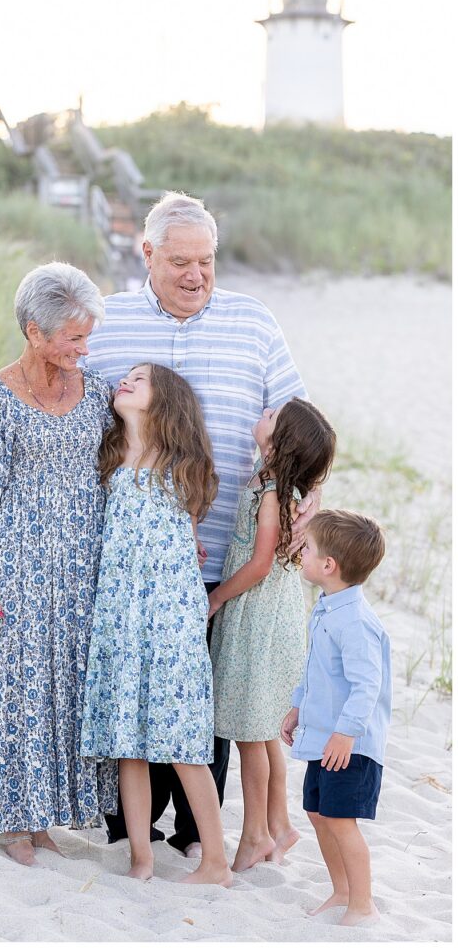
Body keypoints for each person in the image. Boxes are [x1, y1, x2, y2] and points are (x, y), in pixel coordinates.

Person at [0, 191, 313, 856]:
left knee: (198, 710)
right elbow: (49, 393)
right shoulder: (106, 321)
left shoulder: (255, 322)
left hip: (225, 553)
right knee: (127, 693)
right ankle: (130, 835)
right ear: (147, 255)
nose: (195, 274)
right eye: (179, 260)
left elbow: (299, 422)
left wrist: (306, 490)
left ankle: (189, 842)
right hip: (120, 559)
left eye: (206, 260)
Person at [0, 262, 118, 867]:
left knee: (66, 685)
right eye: (71, 336)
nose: (82, 347)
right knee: (16, 686)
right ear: (33, 331)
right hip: (18, 565)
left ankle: (43, 817)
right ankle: (11, 820)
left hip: (82, 564)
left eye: (86, 335)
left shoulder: (96, 390)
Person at [80, 363, 232, 887]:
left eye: (139, 379)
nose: (125, 382)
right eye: (125, 376)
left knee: (184, 741)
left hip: (169, 621)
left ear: (163, 401)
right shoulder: (110, 456)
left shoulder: (181, 465)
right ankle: (141, 858)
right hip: (121, 617)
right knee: (129, 743)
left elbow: (187, 538)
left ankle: (215, 862)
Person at [208, 398, 336, 871]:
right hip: (276, 615)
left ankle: (254, 836)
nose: (262, 415)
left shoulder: (270, 490)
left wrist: (218, 597)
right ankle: (278, 826)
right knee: (263, 731)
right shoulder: (286, 486)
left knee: (249, 734)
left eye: (272, 418)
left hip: (255, 616)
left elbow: (260, 563)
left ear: (278, 441)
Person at [281, 510, 390, 927]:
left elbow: (367, 685)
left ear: (329, 566)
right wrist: (296, 707)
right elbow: (316, 669)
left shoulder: (355, 621)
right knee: (318, 812)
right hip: (323, 736)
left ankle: (364, 905)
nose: (301, 552)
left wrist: (346, 734)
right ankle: (341, 891)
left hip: (351, 744)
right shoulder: (327, 608)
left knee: (342, 821)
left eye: (306, 548)